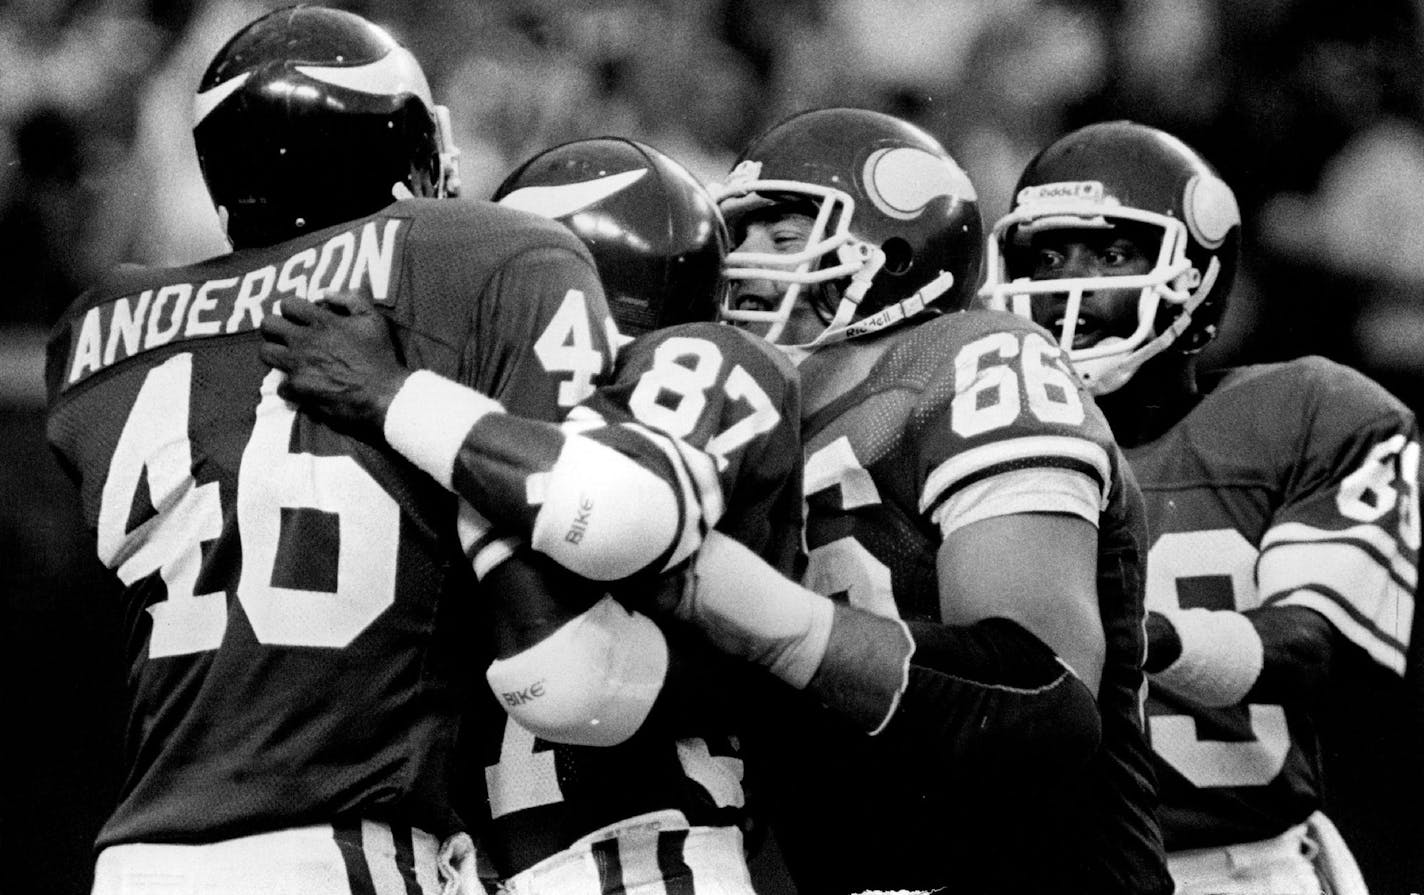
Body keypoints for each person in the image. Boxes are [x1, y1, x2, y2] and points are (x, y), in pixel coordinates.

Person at [43, 8, 688, 893]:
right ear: (401, 146)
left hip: (139, 854)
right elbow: (577, 653)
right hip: (343, 847)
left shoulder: (100, 328)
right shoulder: (480, 254)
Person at [713, 107, 1172, 894]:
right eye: (741, 238)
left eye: (785, 238)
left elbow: (1038, 687)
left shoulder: (971, 361)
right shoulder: (755, 421)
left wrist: (764, 622)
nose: (745, 263)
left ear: (894, 253)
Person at [980, 119, 1420, 895]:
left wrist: (1140, 638)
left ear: (1197, 275)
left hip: (1245, 872)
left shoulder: (1306, 412)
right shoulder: (968, 442)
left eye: (1112, 253)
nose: (1066, 288)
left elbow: (1324, 647)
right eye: (1045, 255)